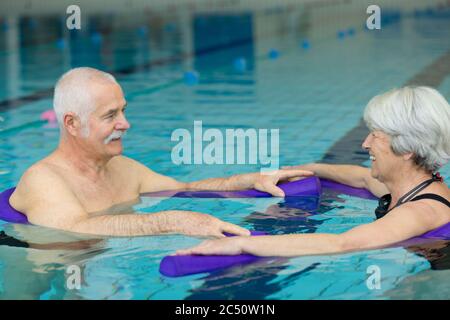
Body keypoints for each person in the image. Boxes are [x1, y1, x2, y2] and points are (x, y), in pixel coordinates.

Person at [9, 67, 311, 237]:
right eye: (110, 115)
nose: (125, 124)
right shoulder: (44, 180)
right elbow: (74, 228)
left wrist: (250, 179)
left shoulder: (123, 168)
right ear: (72, 124)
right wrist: (174, 221)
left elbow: (184, 188)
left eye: (123, 111)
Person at [177, 86, 450, 257]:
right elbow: (362, 177)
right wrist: (310, 168)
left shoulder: (419, 211)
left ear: (406, 149)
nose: (365, 143)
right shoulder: (410, 186)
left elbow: (343, 244)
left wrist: (240, 245)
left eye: (375, 136)